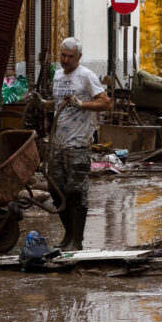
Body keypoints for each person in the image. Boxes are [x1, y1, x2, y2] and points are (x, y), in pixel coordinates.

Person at [47, 37, 112, 251]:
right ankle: (68, 235)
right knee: (56, 190)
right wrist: (42, 103)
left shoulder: (86, 76)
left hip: (78, 143)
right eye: (63, 55)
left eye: (70, 56)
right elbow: (58, 105)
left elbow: (105, 102)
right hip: (58, 143)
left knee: (76, 191)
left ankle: (77, 240)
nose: (65, 60)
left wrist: (82, 103)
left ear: (79, 57)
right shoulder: (57, 76)